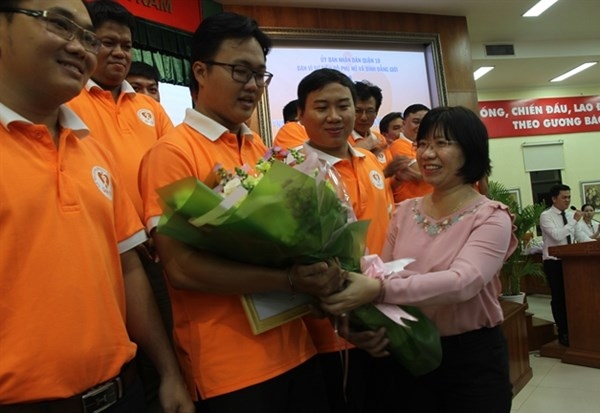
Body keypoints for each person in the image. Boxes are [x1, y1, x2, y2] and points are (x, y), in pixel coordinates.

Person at [138, 12, 343, 413]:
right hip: (229, 367)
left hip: (296, 347)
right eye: (239, 71)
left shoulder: (259, 149)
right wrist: (288, 279)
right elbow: (180, 270)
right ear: (200, 70)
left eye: (260, 75)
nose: (252, 86)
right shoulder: (171, 154)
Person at [0, 1, 193, 412]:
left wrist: (169, 373)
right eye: (59, 24)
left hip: (121, 394)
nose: (79, 47)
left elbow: (127, 267)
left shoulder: (92, 151)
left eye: (87, 36)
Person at [322, 106, 518, 412]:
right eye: (423, 144)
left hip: (471, 359)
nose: (427, 154)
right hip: (408, 349)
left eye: (442, 144)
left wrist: (379, 290)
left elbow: (462, 283)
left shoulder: (491, 216)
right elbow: (381, 273)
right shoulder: (405, 211)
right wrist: (354, 324)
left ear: (470, 151)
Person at [66, 1, 175, 411]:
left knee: (164, 344)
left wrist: (157, 226)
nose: (119, 53)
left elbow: (170, 174)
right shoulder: (69, 100)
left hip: (156, 247)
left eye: (126, 45)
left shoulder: (151, 109)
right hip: (103, 252)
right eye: (107, 42)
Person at [297, 68, 394, 412]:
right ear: (300, 114)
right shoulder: (293, 171)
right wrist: (348, 326)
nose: (335, 117)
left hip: (389, 317)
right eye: (322, 107)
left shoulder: (369, 160)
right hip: (333, 337)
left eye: (344, 106)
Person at [539, 184, 583, 347]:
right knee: (559, 298)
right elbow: (557, 236)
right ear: (554, 199)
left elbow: (580, 235)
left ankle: (576, 329)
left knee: (574, 297)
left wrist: (598, 243)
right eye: (564, 197)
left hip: (571, 261)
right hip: (554, 262)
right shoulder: (546, 216)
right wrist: (573, 222)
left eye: (569, 197)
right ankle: (563, 332)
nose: (568, 200)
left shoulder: (571, 215)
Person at [385, 103, 433, 202]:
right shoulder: (399, 144)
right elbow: (420, 171)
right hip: (410, 206)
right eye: (416, 122)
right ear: (403, 124)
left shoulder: (429, 145)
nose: (421, 126)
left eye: (425, 122)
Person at [348, 80, 392, 167]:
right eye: (358, 111)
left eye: (369, 111)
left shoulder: (380, 139)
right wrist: (357, 151)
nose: (363, 117)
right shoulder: (340, 140)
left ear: (376, 113)